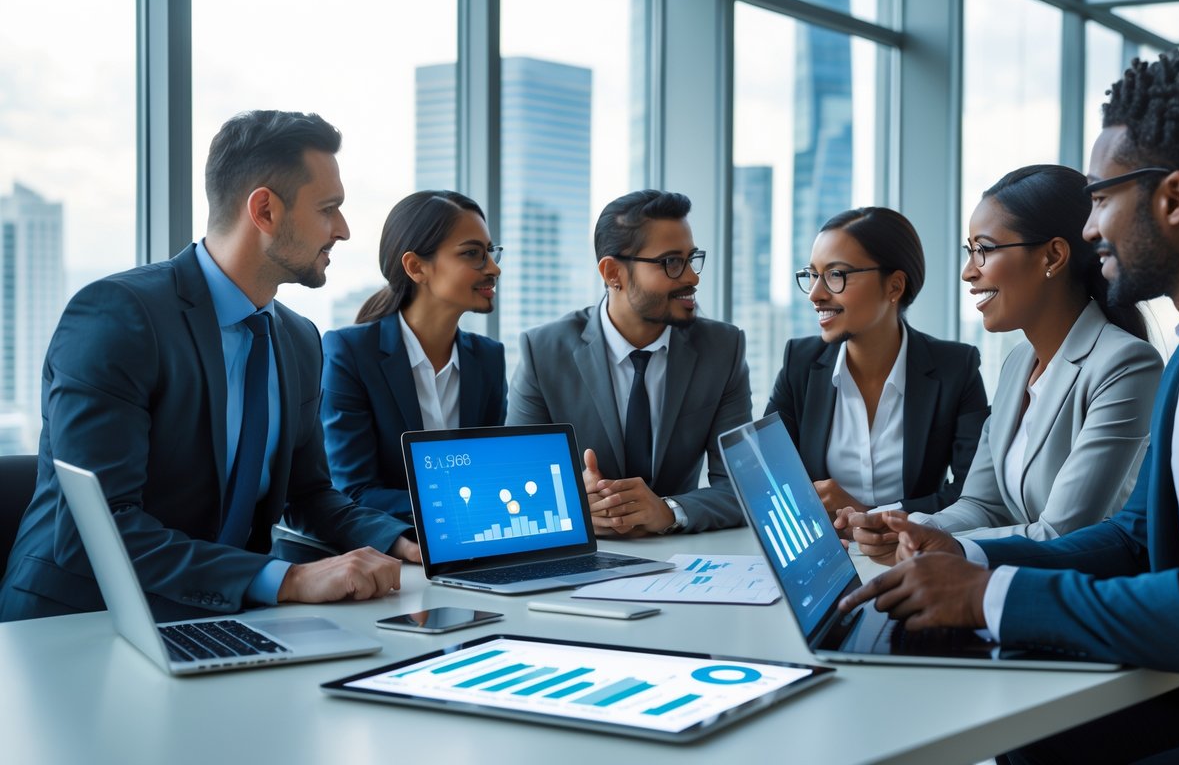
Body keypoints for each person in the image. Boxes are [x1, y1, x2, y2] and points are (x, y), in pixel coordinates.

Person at [840, 51, 1179, 762]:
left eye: (1100, 198)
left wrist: (987, 596)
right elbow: (1135, 539)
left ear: (1173, 198)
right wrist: (967, 553)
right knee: (1020, 741)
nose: (1091, 229)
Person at [0, 110, 420, 623]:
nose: (344, 230)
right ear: (264, 210)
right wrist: (287, 579)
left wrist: (398, 541)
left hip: (220, 618)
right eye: (329, 208)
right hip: (78, 622)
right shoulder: (118, 317)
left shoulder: (297, 338)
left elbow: (306, 492)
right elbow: (100, 527)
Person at [839, 166, 1162, 560]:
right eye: (969, 250)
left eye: (985, 250)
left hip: (1076, 601)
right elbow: (982, 506)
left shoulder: (1125, 365)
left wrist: (952, 547)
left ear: (1053, 256)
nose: (968, 271)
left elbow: (1063, 534)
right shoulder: (1018, 363)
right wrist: (902, 526)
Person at [508, 189, 752, 536]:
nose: (691, 278)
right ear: (613, 273)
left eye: (691, 259)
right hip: (583, 554)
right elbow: (517, 481)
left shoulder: (722, 349)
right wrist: (574, 502)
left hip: (682, 559)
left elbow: (742, 487)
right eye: (671, 262)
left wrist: (669, 511)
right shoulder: (543, 351)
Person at [765, 207, 989, 522]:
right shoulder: (799, 364)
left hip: (914, 551)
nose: (815, 294)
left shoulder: (956, 368)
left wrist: (872, 515)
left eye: (835, 275)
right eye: (813, 275)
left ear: (894, 287)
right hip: (827, 552)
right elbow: (766, 477)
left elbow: (973, 493)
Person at [321, 190, 506, 522]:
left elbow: (488, 476)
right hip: (392, 555)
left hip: (474, 544)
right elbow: (354, 491)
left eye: (490, 253)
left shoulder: (489, 359)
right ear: (416, 267)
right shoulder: (350, 353)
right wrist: (457, 504)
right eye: (472, 254)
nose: (493, 268)